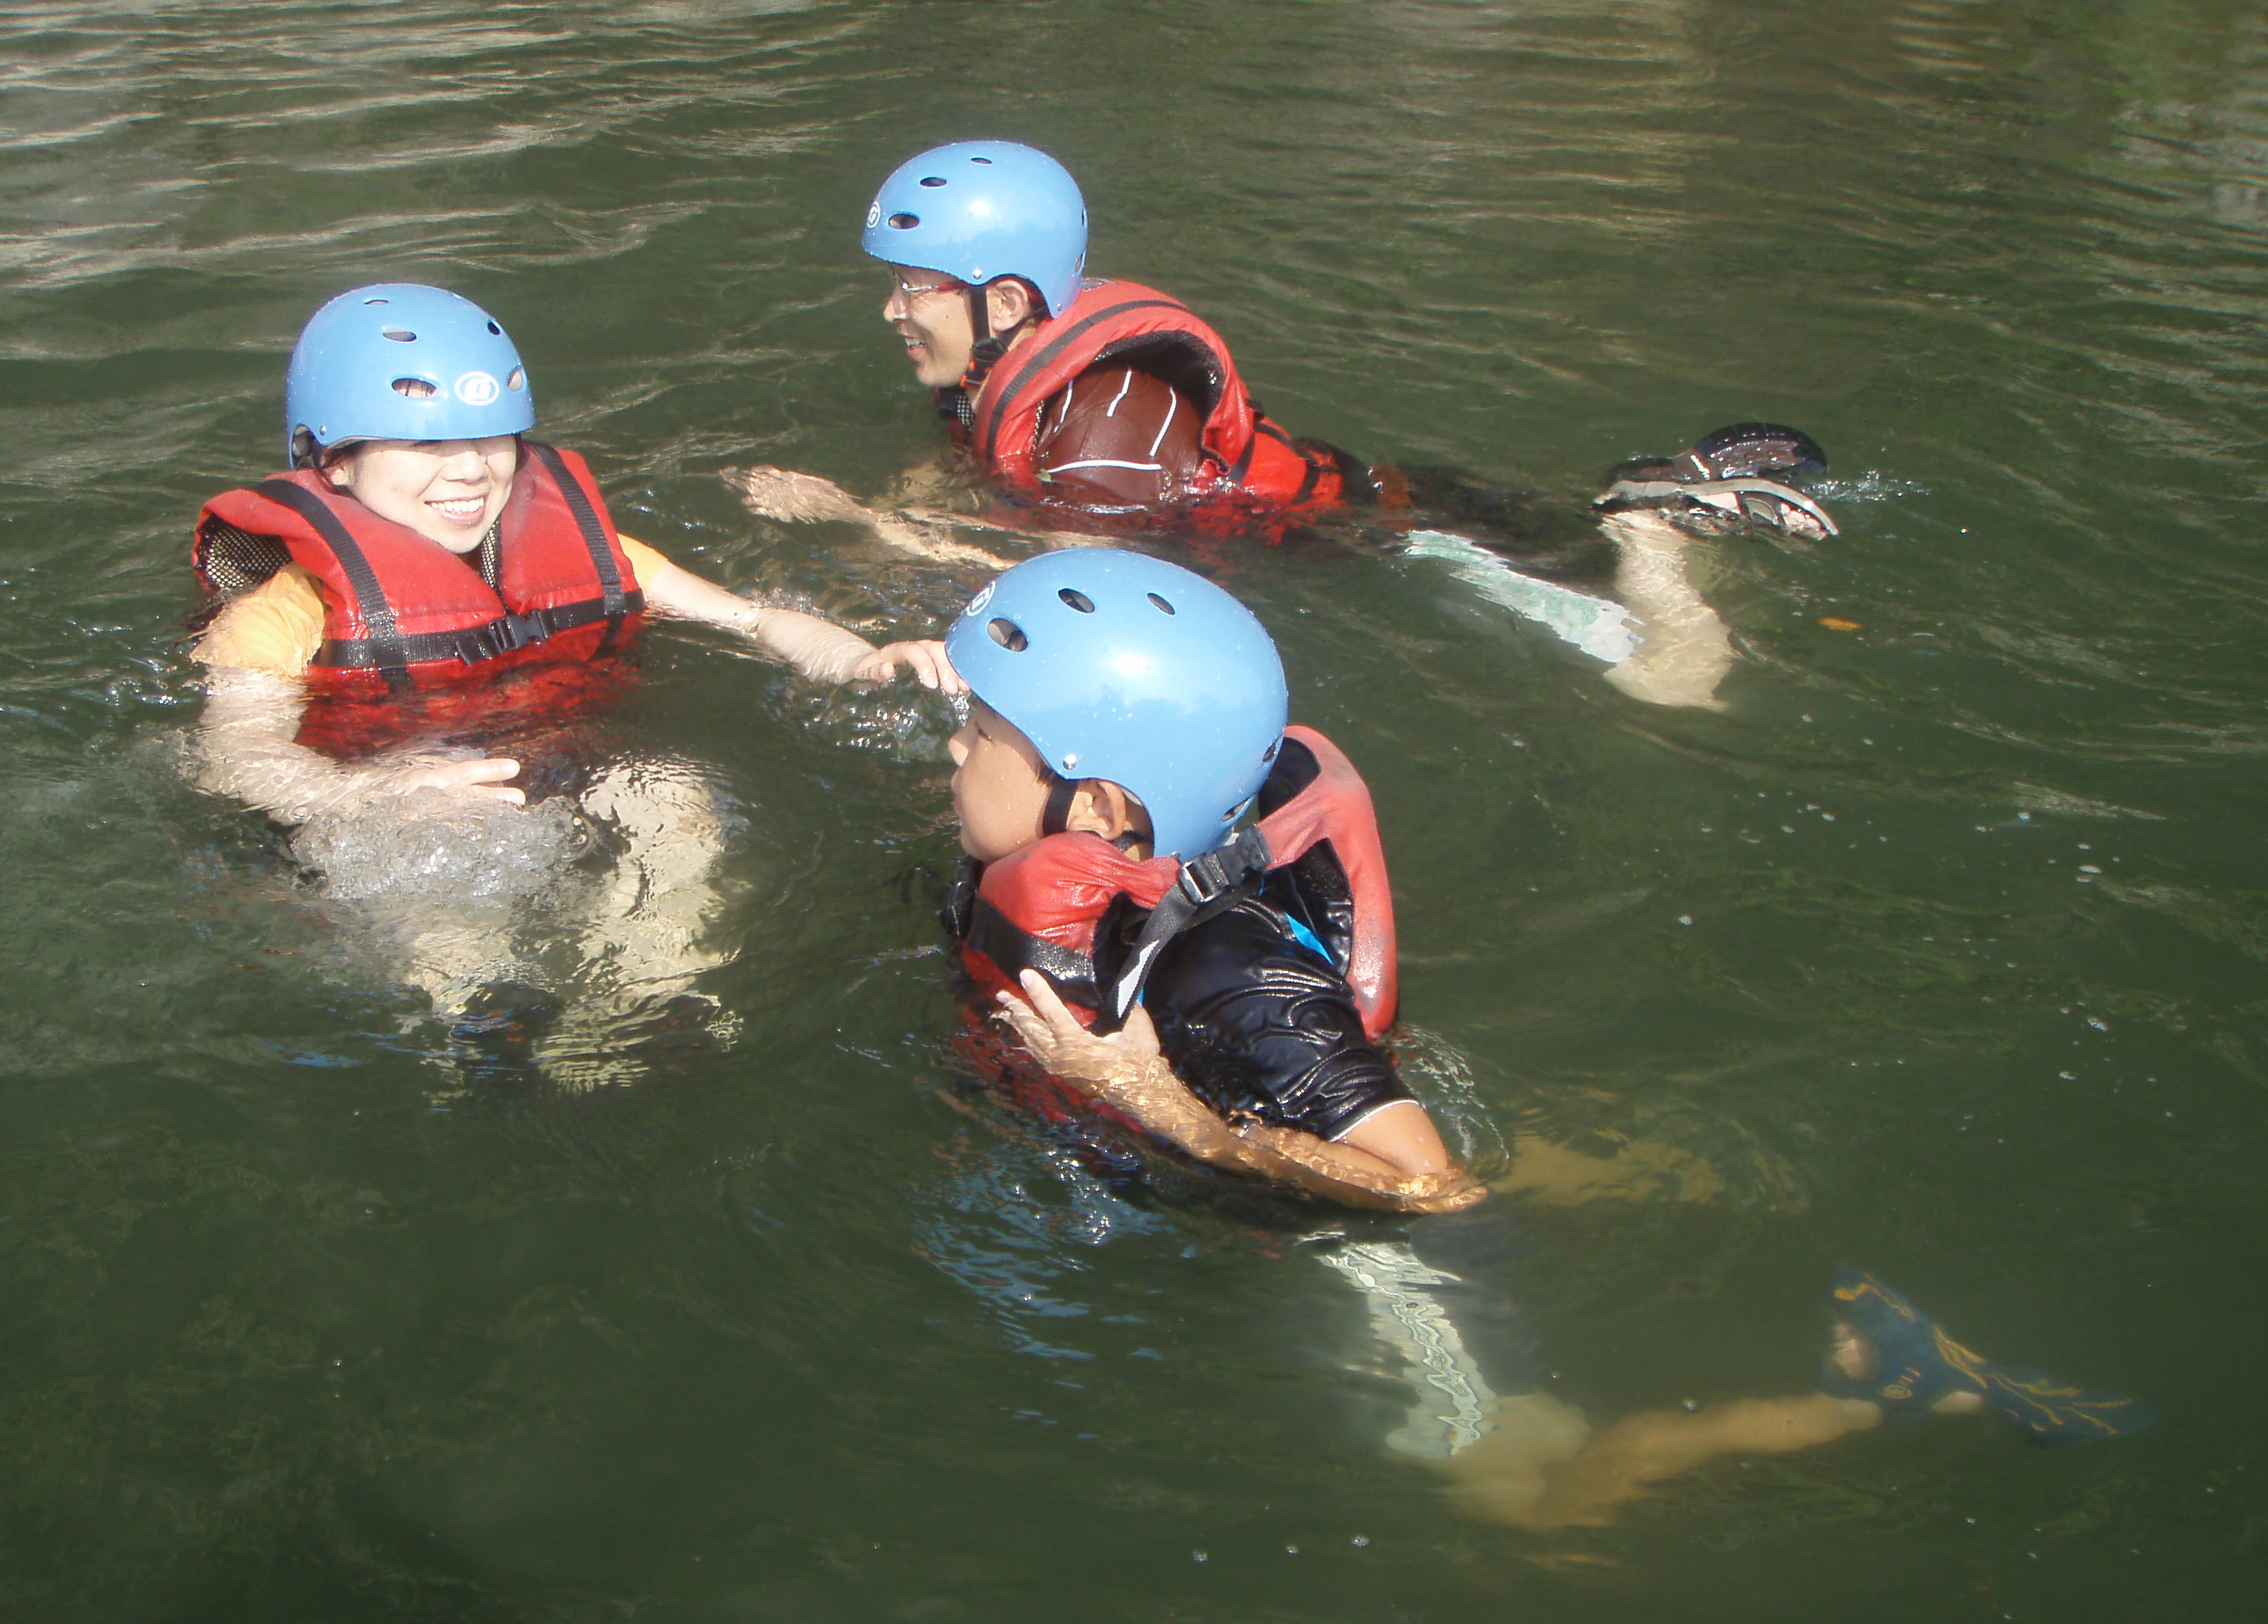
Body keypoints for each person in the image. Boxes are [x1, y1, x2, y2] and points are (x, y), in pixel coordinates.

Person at [735, 142, 1838, 708]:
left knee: (1669, 679)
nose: (890, 310)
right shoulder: (998, 365)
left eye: (912, 287)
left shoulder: (1110, 410)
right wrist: (884, 510)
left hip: (1397, 539)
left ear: (1009, 302)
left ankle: (1652, 537)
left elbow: (1085, 581)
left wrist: (868, 530)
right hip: (1360, 501)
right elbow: (983, 477)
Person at [189, 283, 950, 1064]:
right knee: (439, 862)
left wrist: (858, 657)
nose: (470, 471)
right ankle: (486, 1014)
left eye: (491, 440)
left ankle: (654, 990)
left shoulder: (590, 552)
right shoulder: (282, 613)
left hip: (559, 762)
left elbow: (751, 619)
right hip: (392, 796)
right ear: (331, 464)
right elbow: (234, 758)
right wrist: (373, 791)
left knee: (667, 789)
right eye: (422, 446)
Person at [928, 546, 1484, 1212]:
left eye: (983, 733)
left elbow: (1432, 1186)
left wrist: (1151, 1099)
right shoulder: (1025, 868)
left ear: (1100, 807)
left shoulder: (1232, 971)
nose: (954, 747)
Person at [1325, 1248, 2157, 1530]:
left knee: (1532, 1505)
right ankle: (1911, 1393)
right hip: (1450, 1317)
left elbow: (1639, 1447)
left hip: (1418, 1318)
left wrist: (1551, 1551)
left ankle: (1896, 1394)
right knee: (1541, 1470)